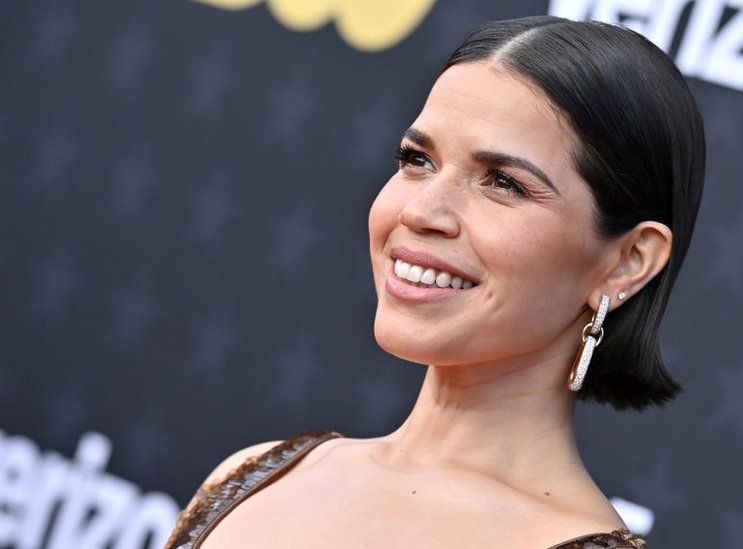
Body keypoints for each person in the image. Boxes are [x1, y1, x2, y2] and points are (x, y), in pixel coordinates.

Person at [167, 13, 704, 549]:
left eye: (503, 183)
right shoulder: (254, 476)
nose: (422, 210)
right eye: (417, 159)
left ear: (627, 261)